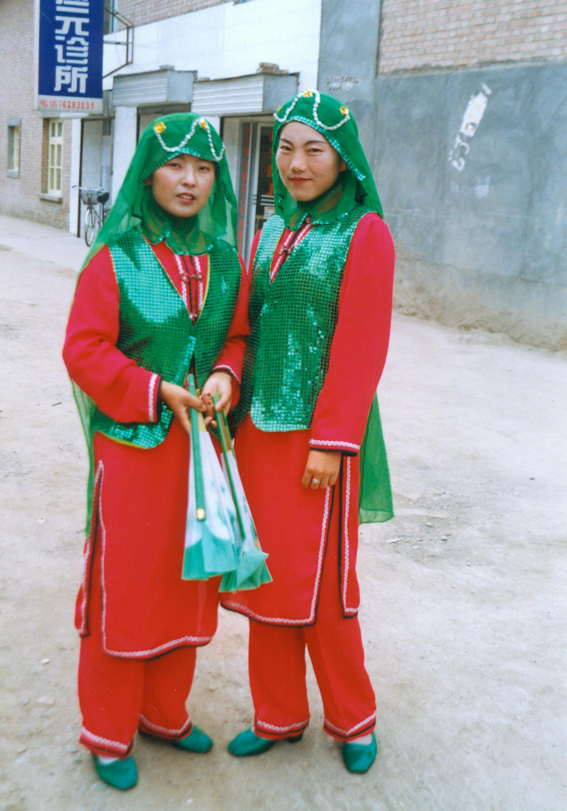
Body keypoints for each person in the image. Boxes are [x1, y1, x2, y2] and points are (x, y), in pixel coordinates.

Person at [63, 112, 248, 791]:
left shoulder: (226, 260)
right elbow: (84, 349)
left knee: (185, 582)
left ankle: (164, 714)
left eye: (203, 168)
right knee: (127, 589)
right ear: (148, 174)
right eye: (175, 165)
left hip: (201, 454)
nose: (190, 180)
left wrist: (225, 374)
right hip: (134, 454)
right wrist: (154, 389)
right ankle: (109, 731)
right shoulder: (116, 257)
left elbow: (237, 338)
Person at [222, 90, 395, 774]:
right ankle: (278, 715)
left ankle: (353, 719)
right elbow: (245, 324)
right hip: (257, 433)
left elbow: (361, 347)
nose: (296, 164)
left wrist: (331, 440)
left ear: (342, 157)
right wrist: (224, 381)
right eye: (286, 149)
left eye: (313, 150)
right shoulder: (272, 229)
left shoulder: (364, 233)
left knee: (324, 589)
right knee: (266, 575)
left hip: (318, 441)